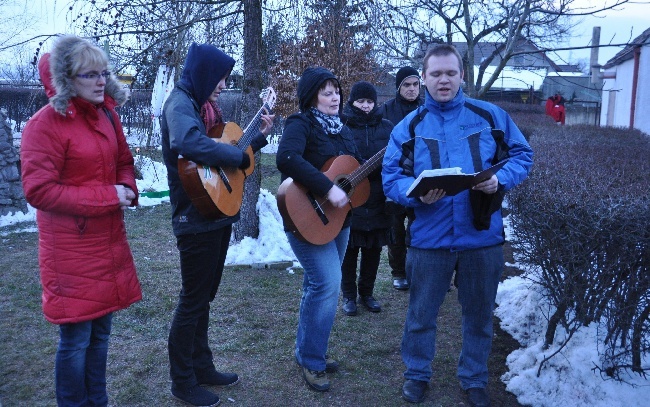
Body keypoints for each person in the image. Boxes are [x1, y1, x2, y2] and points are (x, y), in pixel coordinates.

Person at [382, 43, 533, 406]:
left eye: (451, 73)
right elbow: (390, 177)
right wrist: (414, 194)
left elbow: (522, 154)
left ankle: (475, 378)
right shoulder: (409, 126)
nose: (444, 80)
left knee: (479, 316)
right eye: (436, 74)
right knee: (421, 315)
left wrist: (500, 180)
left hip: (481, 236)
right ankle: (417, 374)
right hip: (428, 238)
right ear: (424, 78)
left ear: (462, 75)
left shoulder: (490, 116)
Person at [20, 35, 142, 406]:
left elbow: (123, 160)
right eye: (90, 74)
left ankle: (98, 401)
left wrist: (126, 185)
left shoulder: (106, 114)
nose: (101, 80)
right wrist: (108, 196)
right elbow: (39, 191)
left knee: (101, 333)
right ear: (67, 79)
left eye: (103, 72)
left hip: (107, 242)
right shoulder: (44, 125)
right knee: (76, 340)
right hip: (70, 250)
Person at [161, 43, 274, 407]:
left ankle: (202, 365)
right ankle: (182, 381)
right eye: (220, 78)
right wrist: (236, 154)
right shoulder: (179, 103)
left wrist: (256, 140)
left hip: (212, 213)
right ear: (205, 74)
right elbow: (187, 142)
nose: (223, 85)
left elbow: (221, 157)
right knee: (192, 300)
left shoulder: (200, 106)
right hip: (193, 216)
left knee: (204, 299)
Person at [276, 67, 361, 392]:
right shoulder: (301, 123)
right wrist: (326, 189)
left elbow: (352, 167)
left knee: (317, 285)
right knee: (327, 284)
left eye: (336, 90)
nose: (334, 96)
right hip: (305, 216)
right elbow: (287, 158)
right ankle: (313, 361)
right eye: (326, 91)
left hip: (340, 220)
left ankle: (305, 350)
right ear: (312, 96)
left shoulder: (343, 128)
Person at [339, 81, 394, 316]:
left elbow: (396, 159)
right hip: (351, 196)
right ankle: (349, 296)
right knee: (349, 251)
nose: (365, 106)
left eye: (370, 101)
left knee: (373, 251)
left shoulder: (387, 127)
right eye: (361, 101)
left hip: (379, 196)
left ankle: (367, 294)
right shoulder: (342, 126)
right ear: (352, 102)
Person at [378, 66, 422, 291]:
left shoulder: (427, 109)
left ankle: (418, 271)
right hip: (395, 179)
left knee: (419, 228)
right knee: (395, 229)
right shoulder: (385, 110)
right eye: (407, 84)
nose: (412, 89)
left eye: (415, 84)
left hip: (421, 178)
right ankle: (398, 272)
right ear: (398, 87)